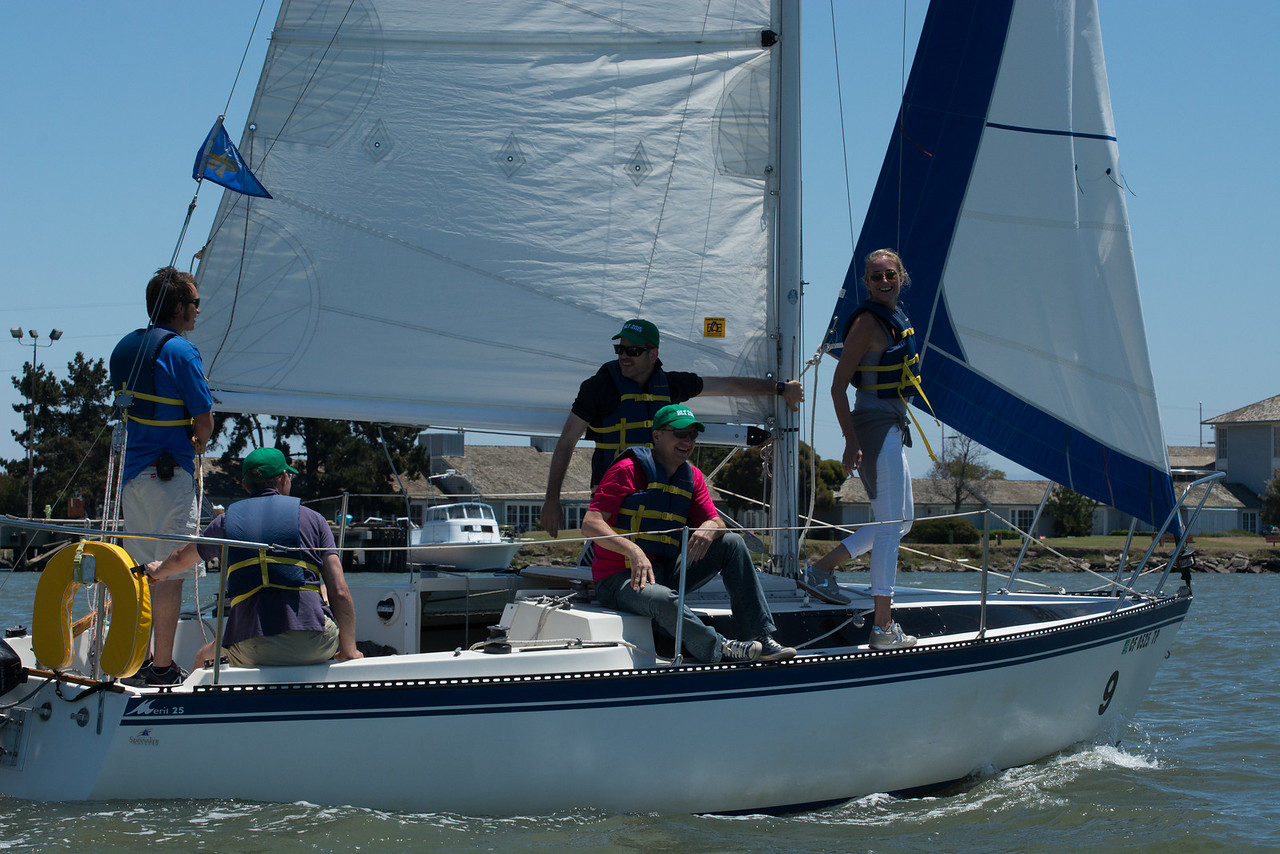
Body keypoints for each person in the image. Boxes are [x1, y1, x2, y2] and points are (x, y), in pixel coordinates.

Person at [540, 318, 805, 537]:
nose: (624, 356)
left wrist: (780, 388)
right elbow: (566, 443)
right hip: (615, 497)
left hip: (660, 491)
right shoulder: (598, 388)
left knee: (708, 539)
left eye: (633, 351)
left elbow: (727, 386)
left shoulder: (670, 385)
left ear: (653, 354)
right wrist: (552, 500)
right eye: (620, 349)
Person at [582, 404, 795, 664]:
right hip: (619, 579)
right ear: (657, 436)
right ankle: (720, 649)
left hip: (666, 571)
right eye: (680, 434)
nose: (688, 441)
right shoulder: (627, 469)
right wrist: (633, 550)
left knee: (732, 543)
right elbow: (590, 524)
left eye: (693, 435)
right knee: (663, 598)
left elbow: (717, 521)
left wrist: (711, 527)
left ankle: (760, 636)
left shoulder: (692, 476)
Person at [144, 447, 362, 672]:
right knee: (323, 590)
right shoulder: (315, 520)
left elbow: (179, 558)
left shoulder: (225, 523)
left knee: (203, 656)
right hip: (314, 644)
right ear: (283, 478)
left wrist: (158, 571)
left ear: (245, 484)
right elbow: (340, 592)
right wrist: (349, 651)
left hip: (250, 647)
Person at [806, 249, 919, 649]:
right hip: (874, 430)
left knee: (902, 522)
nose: (884, 281)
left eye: (890, 274)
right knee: (890, 526)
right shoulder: (867, 323)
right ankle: (883, 627)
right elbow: (837, 387)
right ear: (867, 283)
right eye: (875, 277)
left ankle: (821, 569)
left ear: (901, 277)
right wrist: (850, 440)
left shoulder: (894, 316)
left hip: (891, 427)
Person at [110, 266, 214, 684]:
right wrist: (199, 443)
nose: (198, 311)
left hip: (133, 478)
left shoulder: (123, 348)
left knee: (140, 571)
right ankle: (162, 668)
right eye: (194, 303)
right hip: (169, 478)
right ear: (178, 307)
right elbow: (203, 420)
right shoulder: (182, 352)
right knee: (168, 572)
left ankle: (137, 662)